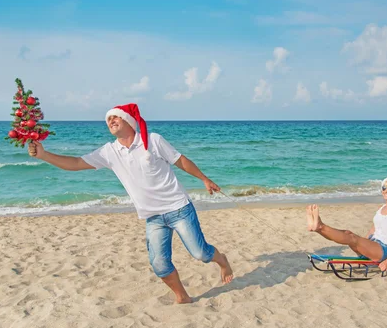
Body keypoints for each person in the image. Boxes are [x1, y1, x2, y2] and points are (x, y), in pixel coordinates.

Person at [28, 103, 233, 303]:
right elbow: (76, 163)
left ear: (128, 120)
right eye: (108, 119)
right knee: (159, 264)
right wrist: (44, 155)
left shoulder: (153, 140)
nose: (110, 121)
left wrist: (204, 179)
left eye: (115, 117)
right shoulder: (109, 152)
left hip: (178, 208)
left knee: (200, 253)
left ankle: (221, 260)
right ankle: (182, 296)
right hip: (153, 217)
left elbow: (181, 160)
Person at [306, 177, 387, 273]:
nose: (385, 191)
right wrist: (362, 243)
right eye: (384, 188)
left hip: (384, 250)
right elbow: (373, 230)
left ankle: (320, 226)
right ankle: (318, 228)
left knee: (352, 237)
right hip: (372, 245)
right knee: (348, 234)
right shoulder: (381, 208)